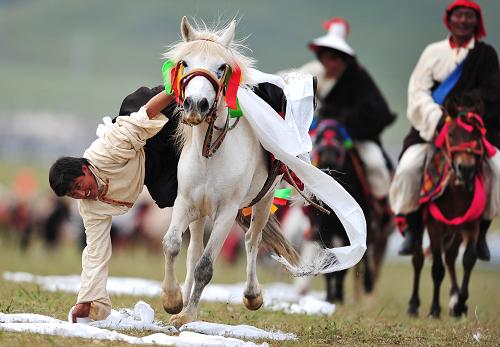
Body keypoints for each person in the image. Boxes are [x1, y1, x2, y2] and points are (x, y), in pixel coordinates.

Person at [49, 87, 178, 322]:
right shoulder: (89, 207)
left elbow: (144, 116)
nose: (81, 193)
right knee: (168, 197)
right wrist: (86, 300)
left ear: (85, 168)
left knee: (184, 110)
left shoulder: (106, 151)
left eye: (79, 184)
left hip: (156, 122)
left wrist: (175, 88)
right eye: (73, 194)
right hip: (152, 166)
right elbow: (95, 252)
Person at [389, 0, 500, 259]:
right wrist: (437, 118)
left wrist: (466, 115)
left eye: (469, 16)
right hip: (434, 127)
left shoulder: (486, 55)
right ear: (449, 21)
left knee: (498, 170)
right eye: (458, 15)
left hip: (472, 132)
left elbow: (493, 94)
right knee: (407, 168)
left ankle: (482, 231)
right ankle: (414, 229)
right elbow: (417, 92)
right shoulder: (432, 52)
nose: (463, 20)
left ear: (477, 22)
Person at [299, 17, 396, 205]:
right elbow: (290, 84)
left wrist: (345, 123)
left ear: (343, 59)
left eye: (334, 58)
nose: (330, 63)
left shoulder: (359, 77)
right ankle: (303, 206)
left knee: (375, 163)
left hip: (355, 137)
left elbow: (375, 112)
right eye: (326, 58)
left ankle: (380, 208)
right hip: (320, 135)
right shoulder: (313, 73)